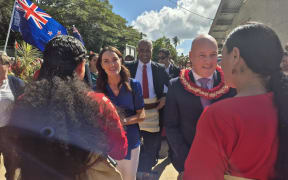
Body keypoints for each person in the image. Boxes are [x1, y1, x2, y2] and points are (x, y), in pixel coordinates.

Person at [7, 35, 128, 180]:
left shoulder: (24, 101)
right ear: (80, 66)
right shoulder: (99, 103)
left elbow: (15, 144)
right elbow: (120, 151)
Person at [183, 23, 288, 180]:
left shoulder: (219, 116)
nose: (218, 63)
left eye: (220, 55)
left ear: (235, 56)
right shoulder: (280, 101)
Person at [164, 34, 236, 179]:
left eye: (213, 55)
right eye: (202, 55)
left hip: (225, 164)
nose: (208, 61)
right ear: (191, 56)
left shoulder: (230, 83)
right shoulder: (176, 86)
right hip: (188, 162)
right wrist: (187, 161)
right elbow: (171, 126)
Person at [96, 46, 145, 180]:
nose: (111, 64)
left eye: (114, 59)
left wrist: (121, 122)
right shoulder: (98, 88)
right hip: (108, 142)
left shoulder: (134, 85)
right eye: (106, 61)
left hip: (131, 140)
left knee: (129, 177)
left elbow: (142, 115)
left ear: (121, 60)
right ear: (101, 65)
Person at [124, 39, 170, 179]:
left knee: (151, 147)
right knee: (132, 146)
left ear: (152, 51)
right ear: (138, 51)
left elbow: (171, 85)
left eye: (148, 50)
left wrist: (165, 97)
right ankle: (133, 172)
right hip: (133, 113)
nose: (145, 53)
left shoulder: (159, 68)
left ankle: (145, 172)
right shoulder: (128, 67)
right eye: (142, 50)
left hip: (153, 113)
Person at [0, 53, 25, 180]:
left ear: (8, 67)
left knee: (11, 168)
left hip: (8, 132)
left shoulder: (17, 84)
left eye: (1, 71)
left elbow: (25, 107)